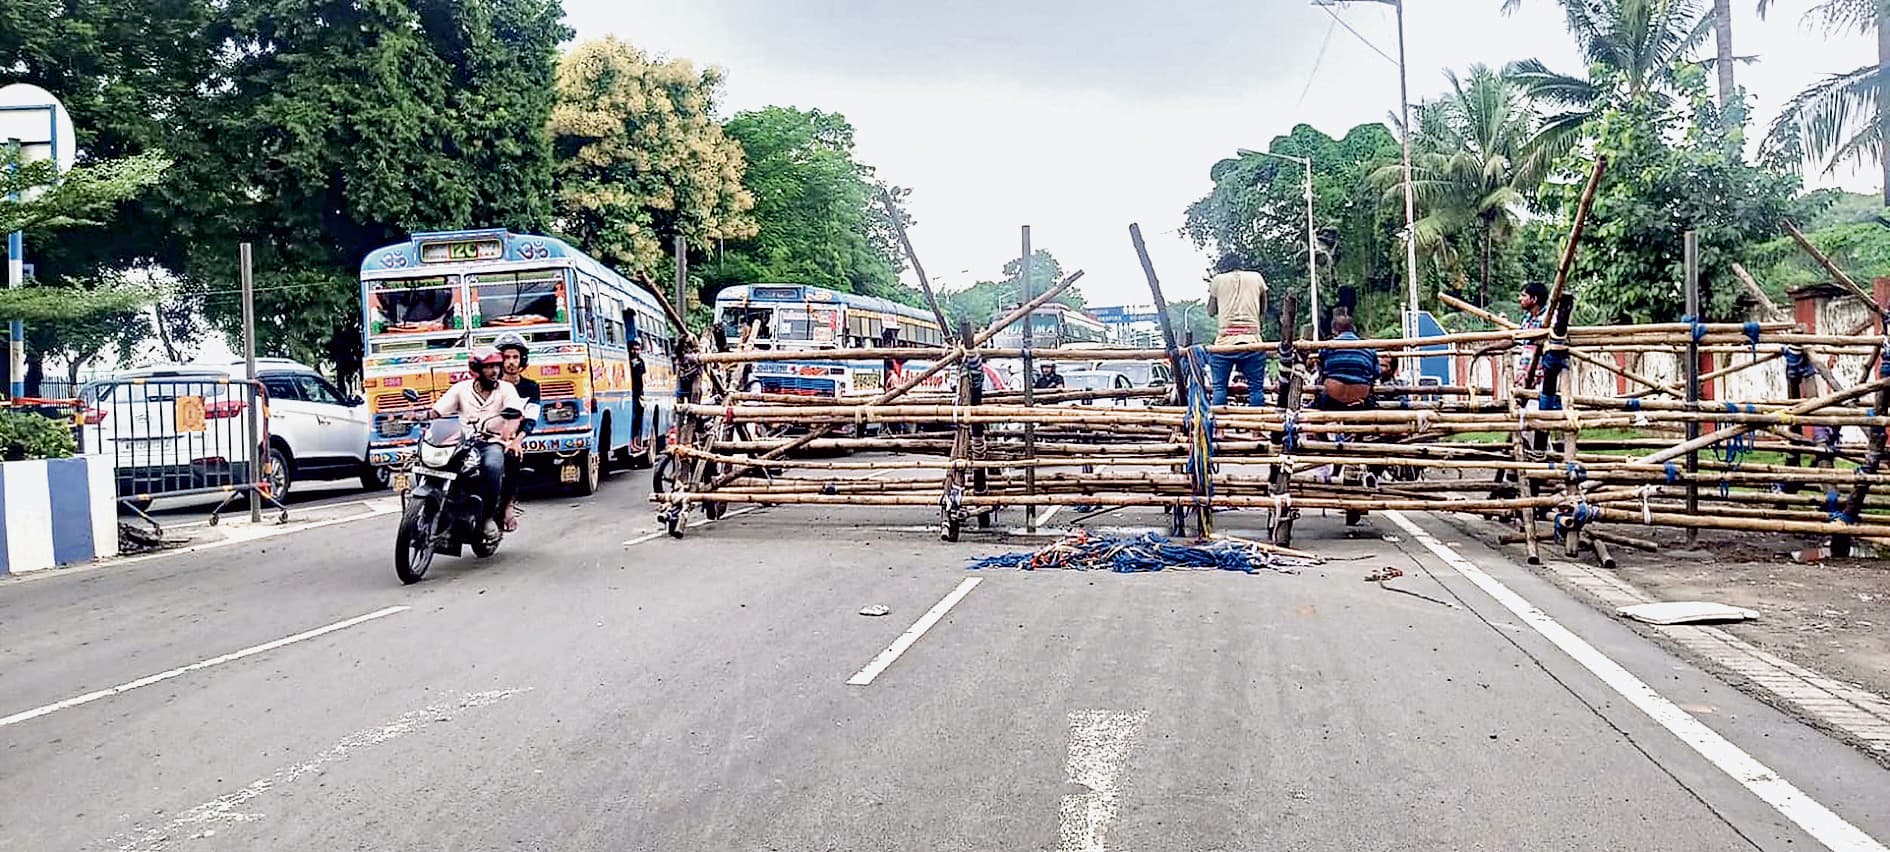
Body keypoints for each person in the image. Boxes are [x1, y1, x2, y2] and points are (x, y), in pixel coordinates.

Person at [429, 347, 525, 538]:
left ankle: (487, 518)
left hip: (492, 442)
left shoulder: (506, 389)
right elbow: (438, 411)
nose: (494, 371)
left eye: (496, 366)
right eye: (489, 367)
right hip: (463, 443)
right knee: (436, 465)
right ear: (476, 369)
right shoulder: (460, 389)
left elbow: (515, 414)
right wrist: (419, 415)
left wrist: (510, 429)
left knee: (493, 466)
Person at [1206, 253, 1268, 406]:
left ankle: (1219, 430)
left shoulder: (1218, 280)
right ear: (1241, 265)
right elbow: (1264, 307)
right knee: (1256, 390)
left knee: (1219, 388)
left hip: (1225, 342)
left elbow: (1211, 311)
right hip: (1252, 340)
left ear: (1224, 267)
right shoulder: (1257, 278)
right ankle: (1256, 430)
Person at [493, 332, 541, 532]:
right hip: (486, 436)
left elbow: (530, 419)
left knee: (512, 458)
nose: (511, 362)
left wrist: (517, 440)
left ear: (522, 360)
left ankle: (508, 506)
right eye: (506, 357)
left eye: (515, 357)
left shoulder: (531, 388)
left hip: (511, 439)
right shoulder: (491, 386)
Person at [1313, 313, 1378, 410]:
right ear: (1354, 329)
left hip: (1332, 397)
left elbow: (1321, 370)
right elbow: (1377, 373)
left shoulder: (1327, 347)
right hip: (1360, 397)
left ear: (1334, 330)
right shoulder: (1368, 348)